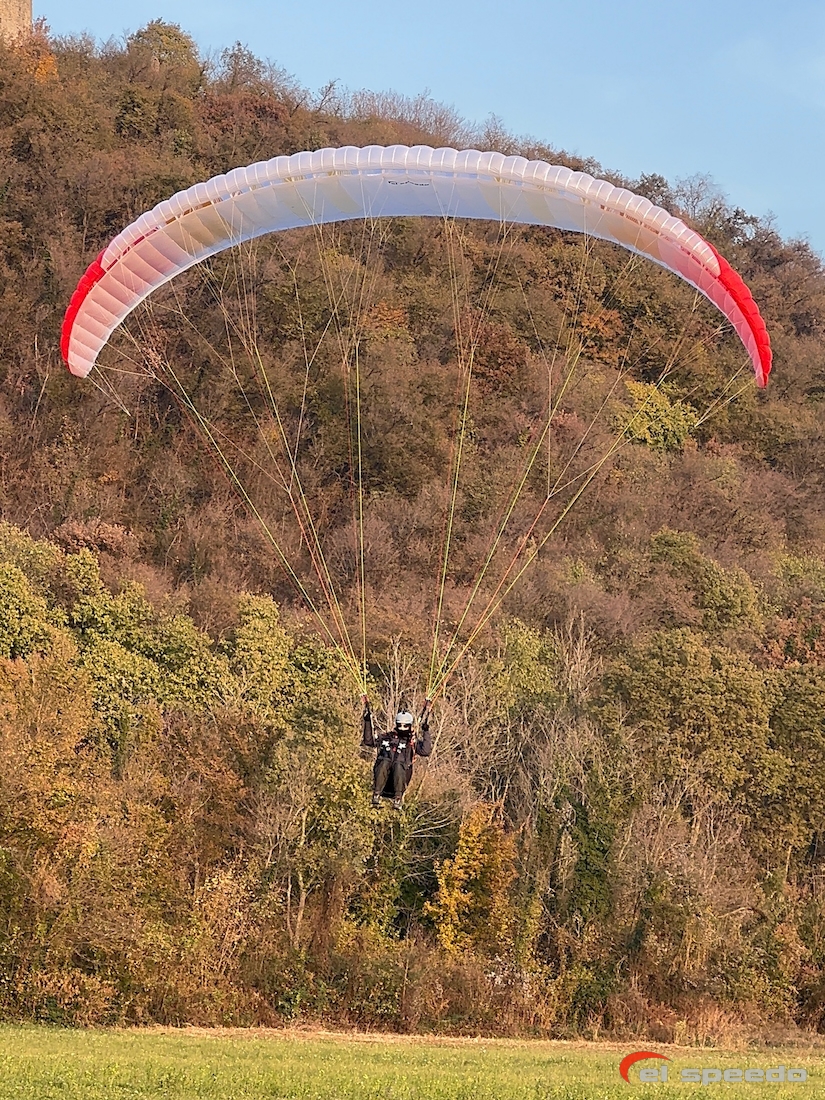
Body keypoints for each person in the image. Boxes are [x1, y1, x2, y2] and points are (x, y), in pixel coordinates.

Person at [361, 697, 432, 809]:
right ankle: (376, 794)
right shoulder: (387, 738)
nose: (402, 728)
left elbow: (425, 751)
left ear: (409, 726)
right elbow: (369, 741)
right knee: (385, 761)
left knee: (398, 764)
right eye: (400, 725)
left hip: (401, 777)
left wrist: (426, 731)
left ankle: (398, 798)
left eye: (405, 726)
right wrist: (367, 721)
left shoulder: (411, 742)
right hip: (383, 777)